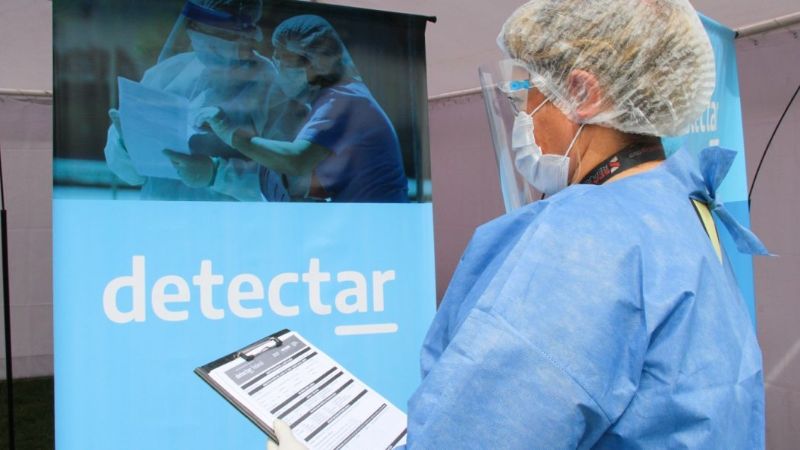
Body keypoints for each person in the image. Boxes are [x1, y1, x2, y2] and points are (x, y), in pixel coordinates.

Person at [268, 0, 769, 448]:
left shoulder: (587, 237)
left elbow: (488, 430)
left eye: (524, 93)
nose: (522, 114)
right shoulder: (682, 206)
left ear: (582, 92)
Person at [197, 14, 409, 203]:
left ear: (317, 63)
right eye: (276, 59)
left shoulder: (343, 100)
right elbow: (323, 182)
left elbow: (296, 161)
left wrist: (232, 135)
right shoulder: (337, 96)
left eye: (286, 62)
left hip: (377, 219)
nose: (278, 67)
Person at [105, 0, 299, 201]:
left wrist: (218, 174)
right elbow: (130, 175)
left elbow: (287, 178)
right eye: (199, 32)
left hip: (229, 219)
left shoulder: (272, 88)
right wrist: (125, 145)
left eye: (220, 36)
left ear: (246, 35)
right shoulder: (168, 72)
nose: (208, 47)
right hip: (158, 215)